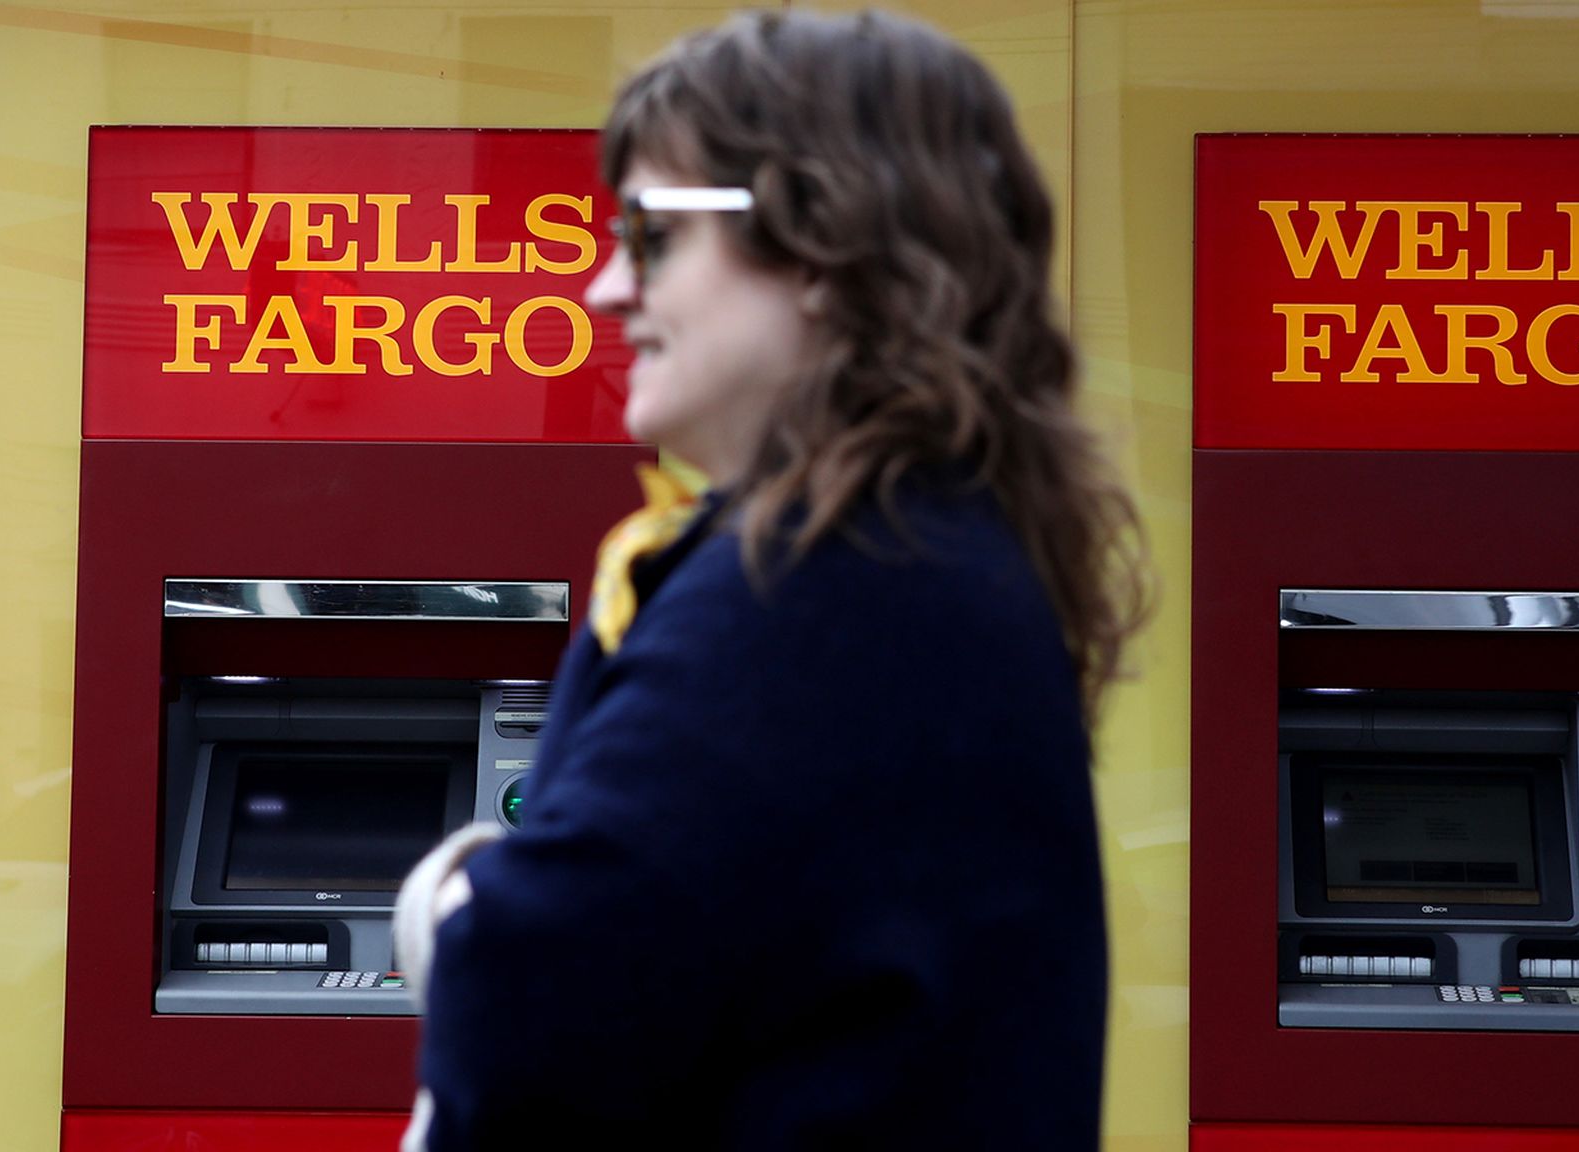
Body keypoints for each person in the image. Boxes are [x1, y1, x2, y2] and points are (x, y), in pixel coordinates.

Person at [395, 9, 1148, 1149]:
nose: (604, 288)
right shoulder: (931, 552)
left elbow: (529, 1003)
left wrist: (447, 893)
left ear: (822, 245)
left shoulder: (817, 587)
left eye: (649, 234)